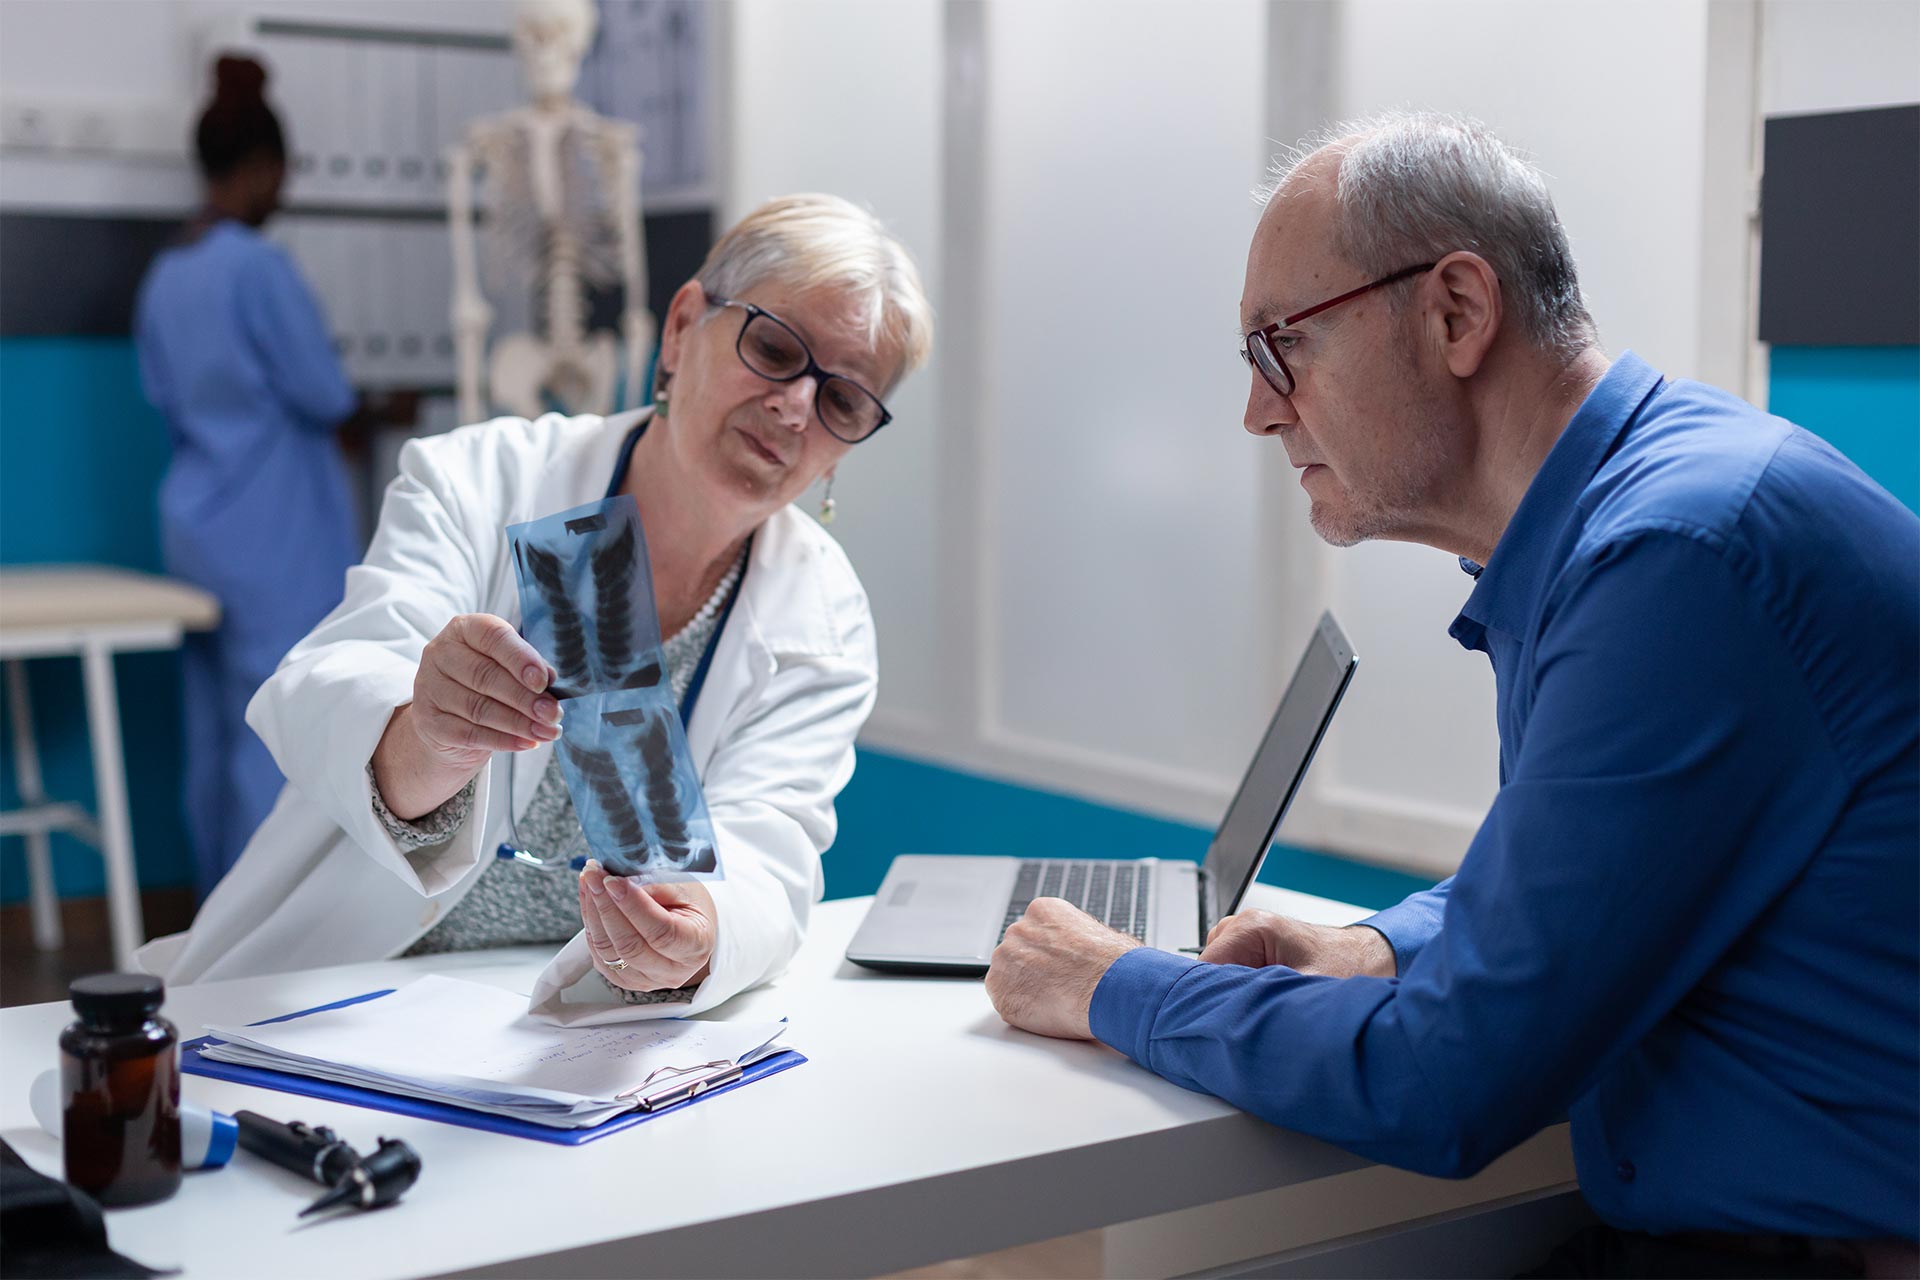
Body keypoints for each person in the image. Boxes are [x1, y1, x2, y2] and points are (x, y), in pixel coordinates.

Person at [986, 113, 1918, 1276]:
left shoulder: (1678, 558)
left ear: (1457, 312)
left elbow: (1448, 1077)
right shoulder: (1636, 526)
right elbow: (1577, 890)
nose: (1259, 410)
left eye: (1282, 349)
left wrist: (1120, 983)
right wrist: (1378, 947)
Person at [139, 193, 934, 1024]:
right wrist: (428, 734)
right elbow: (334, 682)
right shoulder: (484, 481)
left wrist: (703, 929)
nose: (795, 407)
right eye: (774, 348)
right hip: (337, 991)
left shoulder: (822, 611)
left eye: (842, 400)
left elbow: (771, 851)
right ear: (682, 327)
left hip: (574, 1029)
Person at [133, 55, 362, 896]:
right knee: (282, 728)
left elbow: (164, 393)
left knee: (214, 733)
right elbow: (323, 391)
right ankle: (270, 921)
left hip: (196, 527)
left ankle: (215, 907)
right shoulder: (258, 267)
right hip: (274, 536)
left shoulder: (167, 275)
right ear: (262, 167)